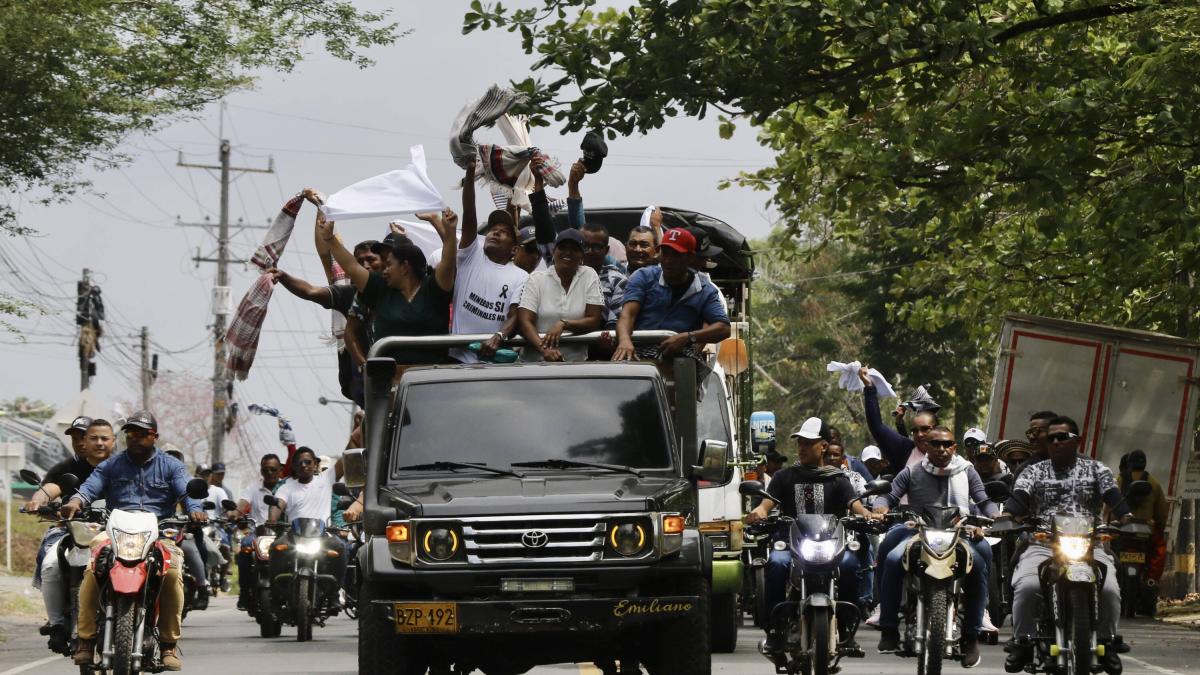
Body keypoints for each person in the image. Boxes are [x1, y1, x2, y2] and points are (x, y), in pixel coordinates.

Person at [61, 411, 205, 671]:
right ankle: (85, 640)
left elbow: (187, 492)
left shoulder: (171, 466)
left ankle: (168, 646)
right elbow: (90, 487)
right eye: (130, 433)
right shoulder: (111, 465)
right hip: (115, 531)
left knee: (172, 574)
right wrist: (75, 502)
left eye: (142, 433)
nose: (135, 438)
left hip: (158, 532)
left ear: (155, 437)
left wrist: (195, 509)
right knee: (92, 570)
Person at [1003, 416, 1129, 675]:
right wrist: (1007, 516)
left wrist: (1128, 518)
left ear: (1077, 441)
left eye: (1063, 437)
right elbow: (1019, 498)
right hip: (1043, 544)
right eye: (1051, 438)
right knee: (1027, 587)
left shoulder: (1096, 469)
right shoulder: (1033, 471)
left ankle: (1106, 641)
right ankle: (1023, 642)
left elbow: (1114, 498)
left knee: (1110, 591)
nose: (1056, 442)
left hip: (1090, 545)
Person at [745, 417, 879, 658]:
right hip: (790, 540)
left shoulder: (838, 478)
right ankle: (776, 630)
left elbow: (856, 506)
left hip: (831, 543)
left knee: (850, 565)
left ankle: (846, 629)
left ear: (824, 446)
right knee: (776, 563)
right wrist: (758, 512)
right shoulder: (785, 476)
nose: (802, 448)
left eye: (808, 443)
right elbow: (766, 505)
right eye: (800, 443)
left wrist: (868, 514)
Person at [873, 426, 997, 668]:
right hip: (917, 529)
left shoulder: (967, 471)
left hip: (960, 531)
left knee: (982, 560)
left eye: (946, 444)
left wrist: (994, 517)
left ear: (954, 447)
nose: (941, 449)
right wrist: (880, 507)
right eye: (935, 444)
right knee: (891, 558)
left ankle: (972, 635)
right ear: (926, 447)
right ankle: (888, 628)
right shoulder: (912, 471)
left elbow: (983, 500)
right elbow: (888, 496)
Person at [320, 209, 458, 367]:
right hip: (390, 382)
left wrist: (447, 228)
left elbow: (449, 260)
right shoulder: (379, 289)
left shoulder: (434, 287)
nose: (384, 269)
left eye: (389, 263)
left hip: (431, 379)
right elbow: (351, 267)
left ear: (405, 266)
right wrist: (330, 238)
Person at [25, 419, 114, 652]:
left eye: (88, 437)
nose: (82, 443)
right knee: (50, 564)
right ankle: (57, 625)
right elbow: (51, 488)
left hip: (114, 530)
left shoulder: (121, 466)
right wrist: (38, 501)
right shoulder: (66, 467)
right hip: (71, 527)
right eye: (76, 438)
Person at [612, 228, 731, 361]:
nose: (668, 261)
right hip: (637, 351)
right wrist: (624, 341)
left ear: (690, 257)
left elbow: (724, 328)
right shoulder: (644, 276)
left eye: (676, 255)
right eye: (666, 253)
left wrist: (687, 337)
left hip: (678, 356)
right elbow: (627, 314)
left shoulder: (705, 290)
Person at [456, 161, 530, 363]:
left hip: (493, 361)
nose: (495, 232)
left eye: (504, 232)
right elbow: (469, 212)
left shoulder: (521, 276)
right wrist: (470, 174)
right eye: (492, 229)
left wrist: (499, 336)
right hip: (459, 360)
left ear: (514, 249)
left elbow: (515, 315)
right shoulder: (471, 256)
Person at [515, 228, 604, 362]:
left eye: (574, 249)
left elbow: (594, 320)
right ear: (553, 251)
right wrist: (545, 350)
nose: (568, 252)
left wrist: (564, 324)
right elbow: (524, 321)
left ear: (582, 254)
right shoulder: (536, 279)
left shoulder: (589, 275)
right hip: (535, 364)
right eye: (562, 247)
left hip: (575, 366)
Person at [857, 366, 937, 475]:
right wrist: (869, 388)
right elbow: (877, 427)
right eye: (915, 431)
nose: (919, 434)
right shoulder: (906, 450)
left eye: (925, 429)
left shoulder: (953, 460)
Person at [235, 454, 285, 611]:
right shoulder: (253, 488)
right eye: (265, 470)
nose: (269, 473)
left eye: (273, 469)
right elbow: (242, 503)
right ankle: (244, 592)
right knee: (245, 545)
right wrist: (235, 513)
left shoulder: (286, 488)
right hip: (258, 534)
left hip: (282, 534)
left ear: (280, 470)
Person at [1117, 449, 1168, 584]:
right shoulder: (1155, 483)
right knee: (1160, 549)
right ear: (1145, 464)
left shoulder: (1118, 480)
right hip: (1146, 533)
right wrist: (1160, 528)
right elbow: (1161, 513)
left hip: (1120, 531)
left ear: (1129, 463)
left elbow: (1108, 507)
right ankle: (1152, 579)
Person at [1011, 410, 1057, 481]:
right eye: (1030, 432)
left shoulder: (1078, 465)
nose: (1031, 437)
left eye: (1037, 431)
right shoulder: (1025, 470)